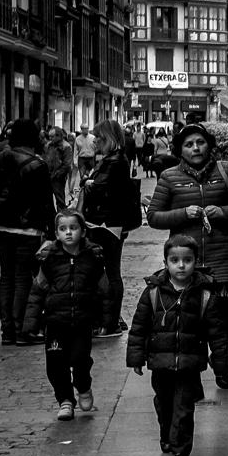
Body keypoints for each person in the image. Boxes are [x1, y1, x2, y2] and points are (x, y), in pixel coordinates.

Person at [145, 121, 228, 384]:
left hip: (222, 258)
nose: (196, 148)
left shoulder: (226, 170)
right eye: (189, 144)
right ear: (180, 149)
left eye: (200, 142)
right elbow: (154, 217)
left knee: (223, 320)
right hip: (185, 263)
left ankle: (222, 368)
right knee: (191, 321)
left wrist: (224, 212)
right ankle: (193, 367)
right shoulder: (169, 177)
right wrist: (183, 214)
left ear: (209, 145)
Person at [126, 233, 228, 456]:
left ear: (195, 261)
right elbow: (139, 327)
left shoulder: (205, 294)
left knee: (184, 408)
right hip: (160, 361)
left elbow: (218, 334)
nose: (181, 265)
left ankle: (182, 451)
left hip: (189, 363)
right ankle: (166, 433)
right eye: (175, 260)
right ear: (166, 263)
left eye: (187, 260)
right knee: (164, 403)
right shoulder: (153, 292)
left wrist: (222, 365)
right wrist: (136, 358)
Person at [22, 210, 106, 421]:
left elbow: (104, 290)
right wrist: (31, 321)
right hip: (55, 321)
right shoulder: (50, 259)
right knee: (56, 363)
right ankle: (65, 400)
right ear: (57, 233)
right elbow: (37, 290)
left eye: (73, 228)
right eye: (63, 229)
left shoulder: (92, 257)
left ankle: (83, 386)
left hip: (82, 320)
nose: (68, 233)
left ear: (83, 231)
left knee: (80, 359)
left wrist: (106, 318)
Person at [0, 119, 54, 346]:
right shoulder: (37, 164)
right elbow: (45, 203)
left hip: (0, 225)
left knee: (7, 277)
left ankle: (7, 331)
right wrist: (52, 232)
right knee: (23, 278)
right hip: (27, 228)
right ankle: (21, 329)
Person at [81, 120, 136, 338]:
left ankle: (111, 320)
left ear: (110, 139)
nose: (96, 142)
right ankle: (111, 318)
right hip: (107, 223)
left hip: (107, 224)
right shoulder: (112, 160)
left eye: (100, 138)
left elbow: (101, 189)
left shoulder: (115, 161)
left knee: (110, 272)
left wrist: (88, 182)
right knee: (108, 271)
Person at [43, 126, 73, 209]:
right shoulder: (49, 145)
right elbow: (46, 158)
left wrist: (57, 175)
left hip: (58, 177)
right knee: (47, 200)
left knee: (59, 199)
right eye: (49, 137)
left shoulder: (66, 147)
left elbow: (66, 164)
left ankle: (61, 216)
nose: (50, 138)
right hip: (48, 176)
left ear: (58, 136)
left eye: (52, 137)